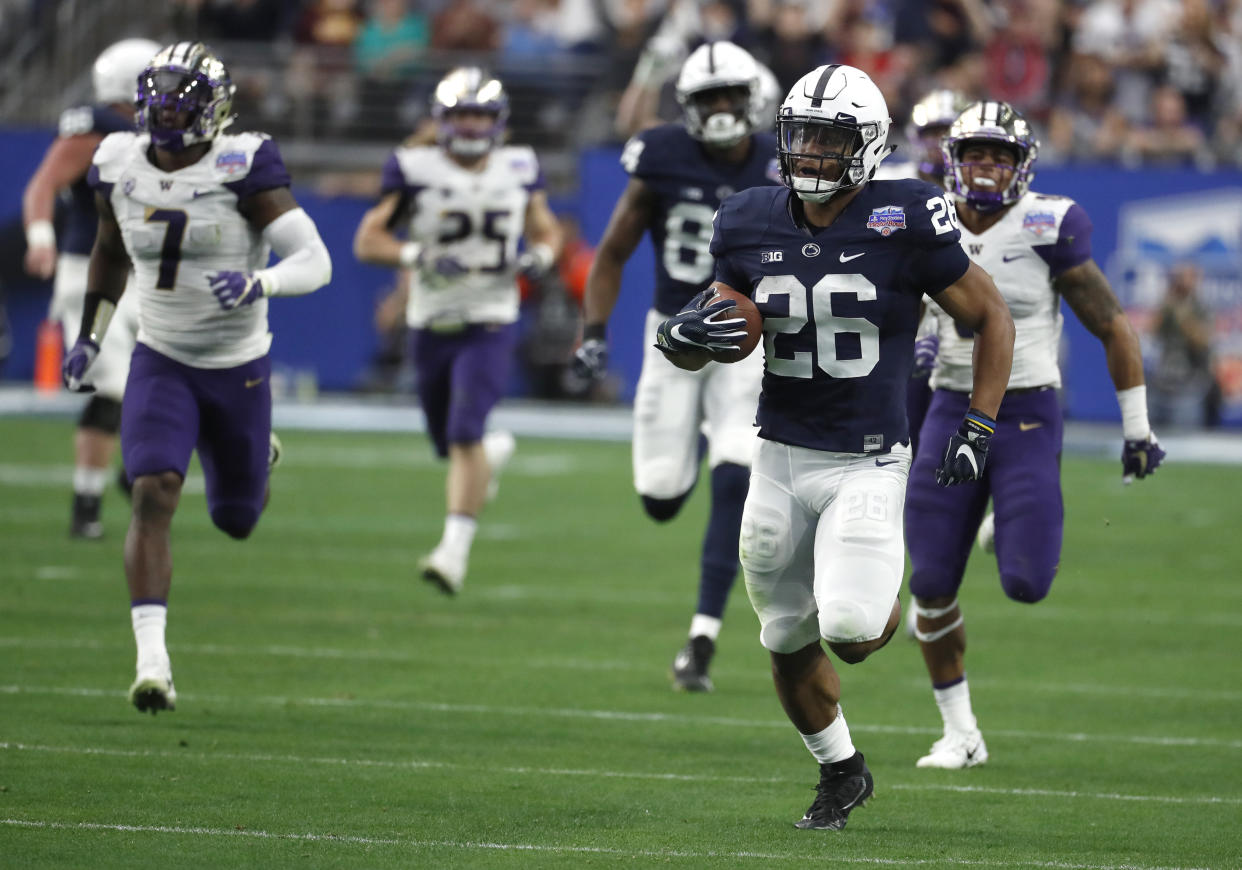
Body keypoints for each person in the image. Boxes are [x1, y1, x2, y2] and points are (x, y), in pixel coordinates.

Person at [658, 64, 1014, 830]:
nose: (811, 153)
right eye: (802, 136)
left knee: (849, 633)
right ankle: (841, 772)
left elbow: (991, 319)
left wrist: (978, 424)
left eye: (829, 138)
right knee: (784, 639)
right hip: (780, 458)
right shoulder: (749, 217)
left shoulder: (907, 213)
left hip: (868, 458)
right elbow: (717, 324)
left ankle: (877, 580)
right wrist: (682, 336)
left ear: (868, 144)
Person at [61, 42, 332, 713]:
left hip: (236, 365)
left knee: (237, 518)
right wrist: (90, 335)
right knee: (152, 489)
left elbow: (316, 260)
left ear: (215, 109)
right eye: (161, 95)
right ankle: (152, 661)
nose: (169, 110)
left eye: (183, 98)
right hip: (162, 357)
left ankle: (257, 457)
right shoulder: (118, 161)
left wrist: (259, 280)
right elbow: (108, 252)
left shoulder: (244, 166)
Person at [903, 100, 1166, 769]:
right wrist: (926, 337)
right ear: (952, 160)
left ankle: (1004, 513)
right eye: (974, 155)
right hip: (948, 406)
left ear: (1023, 166)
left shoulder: (1049, 222)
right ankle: (961, 733)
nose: (986, 168)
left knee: (1026, 582)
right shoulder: (920, 216)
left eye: (1000, 156)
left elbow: (1110, 322)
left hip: (1025, 412)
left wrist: (1136, 427)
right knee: (930, 582)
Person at [572, 41, 781, 693]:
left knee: (735, 480)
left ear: (752, 101)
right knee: (661, 499)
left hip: (747, 341)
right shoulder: (660, 155)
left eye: (730, 97)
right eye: (708, 99)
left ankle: (702, 639)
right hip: (671, 338)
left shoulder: (782, 164)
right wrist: (594, 332)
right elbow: (611, 252)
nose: (721, 110)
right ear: (688, 107)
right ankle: (693, 441)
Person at [353, 66, 561, 595]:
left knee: (465, 430)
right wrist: (415, 254)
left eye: (480, 115)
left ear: (498, 121)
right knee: (449, 442)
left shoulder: (517, 166)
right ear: (442, 119)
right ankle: (488, 457)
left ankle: (453, 552)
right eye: (462, 114)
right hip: (431, 320)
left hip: (490, 318)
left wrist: (540, 255)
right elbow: (368, 239)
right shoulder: (414, 166)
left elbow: (547, 229)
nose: (471, 125)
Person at [23, 37, 160, 538]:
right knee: (115, 387)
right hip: (91, 275)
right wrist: (41, 238)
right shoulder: (96, 127)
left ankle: (135, 469)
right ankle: (88, 503)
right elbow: (42, 184)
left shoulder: (157, 134)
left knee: (172, 376)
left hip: (142, 274)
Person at [1149, 261, 1215, 428]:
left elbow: (1201, 341)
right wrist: (1167, 304)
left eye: (1185, 277)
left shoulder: (1202, 307)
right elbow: (1152, 331)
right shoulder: (1168, 305)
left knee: (1184, 444)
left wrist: (1182, 313)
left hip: (1188, 387)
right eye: (1177, 277)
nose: (1181, 282)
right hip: (1162, 383)